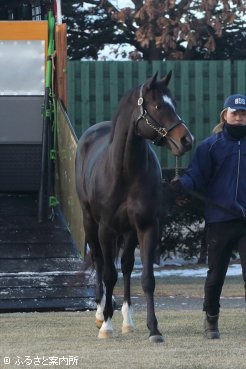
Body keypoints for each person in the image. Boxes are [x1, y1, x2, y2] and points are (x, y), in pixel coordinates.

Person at [171, 94, 246, 339]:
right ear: (224, 115)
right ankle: (211, 320)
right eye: (235, 113)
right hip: (220, 220)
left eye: (244, 114)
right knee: (216, 275)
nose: (239, 117)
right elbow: (196, 176)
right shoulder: (210, 146)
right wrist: (182, 185)